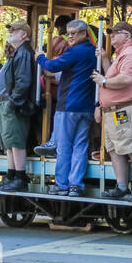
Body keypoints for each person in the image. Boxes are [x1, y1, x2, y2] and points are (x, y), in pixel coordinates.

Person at [92, 21, 132, 202]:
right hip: (116, 110)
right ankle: (121, 186)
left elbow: (125, 79)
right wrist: (104, 59)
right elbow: (113, 75)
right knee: (115, 150)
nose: (111, 36)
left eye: (115, 33)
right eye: (111, 33)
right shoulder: (121, 55)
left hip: (127, 109)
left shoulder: (131, 54)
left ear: (127, 35)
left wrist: (103, 82)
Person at [36, 19, 97, 197]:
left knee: (64, 147)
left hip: (68, 105)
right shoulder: (93, 52)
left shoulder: (74, 52)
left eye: (74, 33)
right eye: (68, 33)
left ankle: (62, 185)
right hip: (86, 107)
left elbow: (52, 66)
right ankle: (75, 185)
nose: (69, 36)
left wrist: (40, 57)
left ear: (84, 34)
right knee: (80, 146)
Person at [0, 21, 36, 192]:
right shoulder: (18, 53)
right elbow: (8, 76)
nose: (10, 33)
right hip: (6, 102)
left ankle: (19, 177)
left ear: (24, 34)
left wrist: (12, 102)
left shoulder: (24, 53)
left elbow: (23, 81)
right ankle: (11, 176)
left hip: (12, 104)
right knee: (9, 143)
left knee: (15, 142)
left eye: (14, 30)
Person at [34, 13, 74, 158]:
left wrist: (40, 56)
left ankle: (49, 143)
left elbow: (50, 63)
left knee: (48, 116)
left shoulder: (58, 41)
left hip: (56, 88)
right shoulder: (79, 44)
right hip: (67, 87)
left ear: (58, 28)